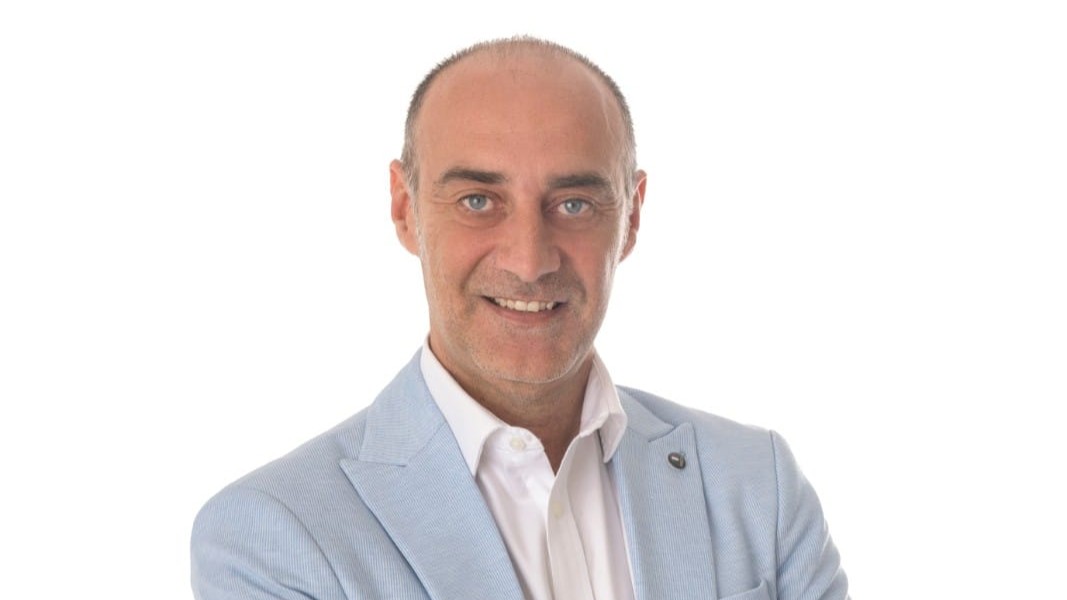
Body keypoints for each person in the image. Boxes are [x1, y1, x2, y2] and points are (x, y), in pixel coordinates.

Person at [191, 36, 849, 600]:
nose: (529, 261)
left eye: (574, 204)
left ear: (631, 217)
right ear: (405, 209)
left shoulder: (756, 488)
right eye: (479, 201)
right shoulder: (273, 535)